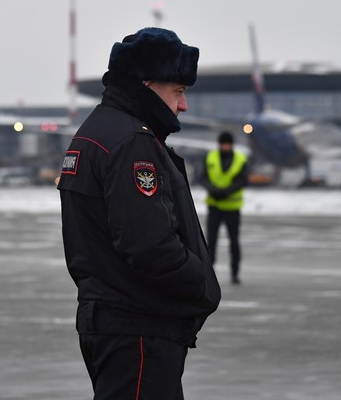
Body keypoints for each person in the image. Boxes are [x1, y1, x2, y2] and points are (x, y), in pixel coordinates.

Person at [57, 27, 221, 400]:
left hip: (114, 321)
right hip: (137, 328)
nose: (183, 106)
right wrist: (201, 284)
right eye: (178, 92)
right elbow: (149, 245)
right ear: (148, 85)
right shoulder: (132, 142)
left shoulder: (97, 132)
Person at [200, 131, 249, 284]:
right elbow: (203, 177)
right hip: (214, 206)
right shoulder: (210, 157)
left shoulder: (240, 159)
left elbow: (243, 180)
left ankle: (235, 272)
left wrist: (227, 191)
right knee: (211, 242)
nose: (225, 147)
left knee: (234, 242)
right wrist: (212, 190)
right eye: (223, 144)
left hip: (232, 207)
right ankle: (209, 273)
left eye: (227, 144)